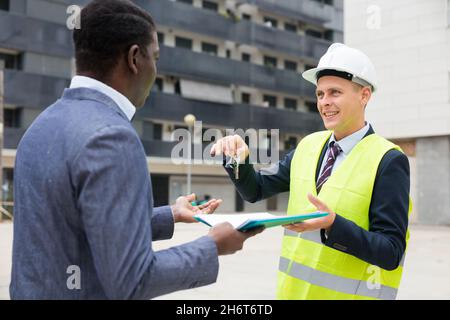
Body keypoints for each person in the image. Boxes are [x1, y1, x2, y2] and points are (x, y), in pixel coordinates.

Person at [10, 0, 262, 300]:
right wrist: (213, 245)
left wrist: (171, 215)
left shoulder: (40, 127)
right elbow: (132, 280)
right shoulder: (112, 137)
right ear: (134, 58)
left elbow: (78, 224)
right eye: (154, 57)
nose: (155, 69)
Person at [211, 43, 411, 300]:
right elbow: (256, 189)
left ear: (364, 95)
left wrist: (333, 225)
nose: (325, 102)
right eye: (320, 94)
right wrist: (239, 160)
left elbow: (390, 252)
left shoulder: (388, 160)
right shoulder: (308, 146)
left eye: (335, 92)